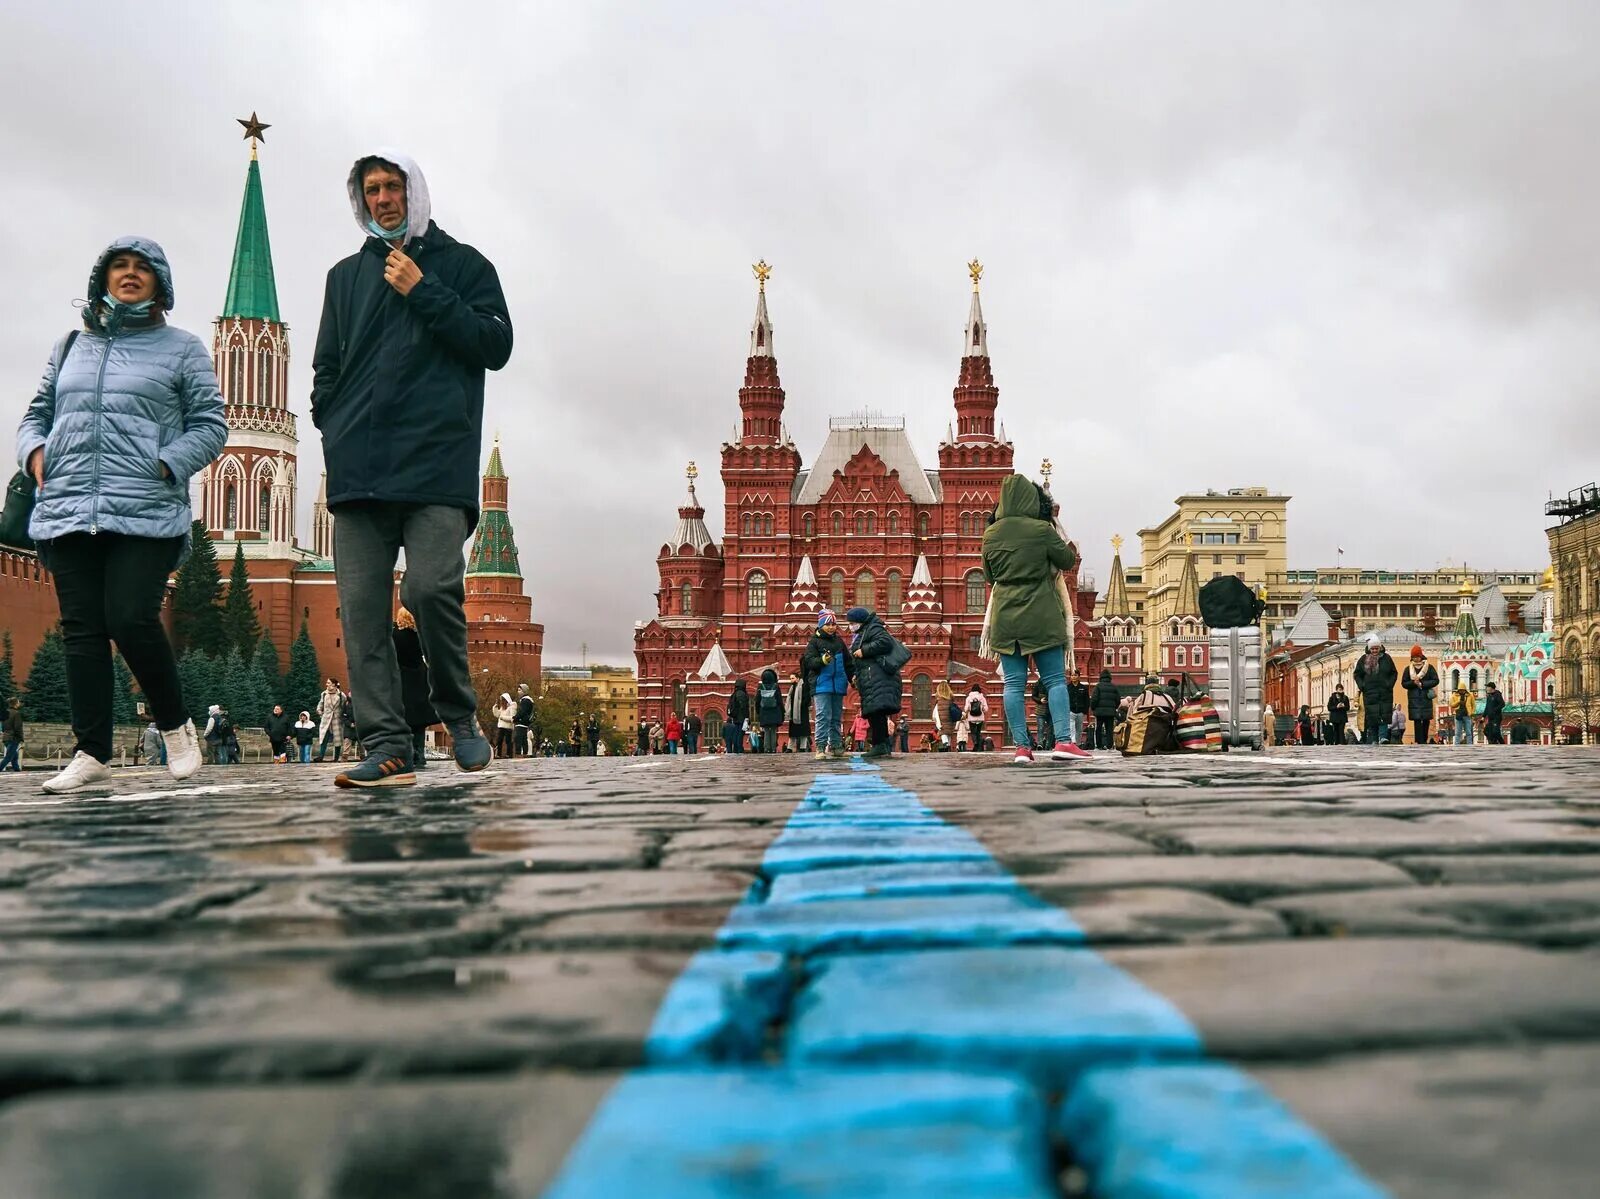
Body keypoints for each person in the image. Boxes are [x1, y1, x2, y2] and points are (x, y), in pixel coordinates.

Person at [311, 150, 509, 788]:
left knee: (429, 590)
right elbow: (326, 367)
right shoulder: (345, 278)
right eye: (370, 190)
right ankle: (388, 744)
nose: (382, 199)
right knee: (361, 612)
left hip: (434, 465)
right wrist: (331, 422)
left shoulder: (463, 266)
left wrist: (423, 290)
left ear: (413, 192)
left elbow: (494, 344)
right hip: (360, 468)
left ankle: (460, 716)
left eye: (392, 187)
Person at [16, 237, 223, 793]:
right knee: (82, 631)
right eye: (119, 267)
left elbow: (210, 424)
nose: (129, 275)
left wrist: (165, 464)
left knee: (130, 616)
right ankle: (92, 752)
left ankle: (177, 727)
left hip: (146, 507)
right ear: (102, 279)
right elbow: (37, 412)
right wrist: (35, 451)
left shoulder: (181, 348)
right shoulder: (70, 346)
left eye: (141, 268)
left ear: (159, 283)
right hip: (69, 505)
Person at [980, 474, 1089, 764]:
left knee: (1013, 684)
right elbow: (1066, 561)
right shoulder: (1041, 530)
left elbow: (989, 576)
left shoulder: (990, 534)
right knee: (1054, 680)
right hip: (1042, 614)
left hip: (1005, 618)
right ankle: (1064, 743)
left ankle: (1021, 748)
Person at [846, 605, 904, 760]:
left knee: (876, 711)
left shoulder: (873, 628)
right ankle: (883, 745)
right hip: (872, 678)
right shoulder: (864, 631)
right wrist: (856, 676)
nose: (850, 626)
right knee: (875, 712)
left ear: (860, 621)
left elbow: (885, 642)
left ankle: (880, 745)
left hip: (879, 678)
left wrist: (864, 650)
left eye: (852, 623)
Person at [803, 609, 853, 760]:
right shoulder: (814, 642)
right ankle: (820, 747)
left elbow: (848, 663)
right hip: (821, 684)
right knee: (823, 716)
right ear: (821, 625)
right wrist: (822, 661)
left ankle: (836, 746)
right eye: (828, 624)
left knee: (836, 717)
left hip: (838, 685)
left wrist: (853, 678)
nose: (831, 627)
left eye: (833, 624)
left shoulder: (839, 642)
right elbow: (809, 662)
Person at [393, 607, 439, 769]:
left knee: (404, 721)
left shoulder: (395, 635)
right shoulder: (420, 636)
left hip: (403, 680)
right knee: (419, 723)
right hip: (420, 679)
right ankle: (420, 754)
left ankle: (408, 753)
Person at [1352, 634, 1396, 744]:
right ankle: (1375, 739)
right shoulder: (1363, 659)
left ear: (1380, 648)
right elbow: (1357, 674)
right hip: (1370, 693)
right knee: (1372, 718)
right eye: (1373, 648)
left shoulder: (1387, 658)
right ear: (1369, 648)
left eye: (1377, 648)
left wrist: (1389, 684)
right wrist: (1363, 686)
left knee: (1383, 716)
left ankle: (1383, 737)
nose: (1375, 650)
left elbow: (1393, 673)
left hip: (1384, 692)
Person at [1399, 647, 1439, 747]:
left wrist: (1422, 684)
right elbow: (1404, 683)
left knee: (1426, 719)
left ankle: (1424, 739)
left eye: (1418, 656)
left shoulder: (1429, 667)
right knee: (1417, 720)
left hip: (1426, 698)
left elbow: (1435, 680)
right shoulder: (1408, 669)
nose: (1416, 659)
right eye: (1414, 657)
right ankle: (1418, 740)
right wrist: (1413, 683)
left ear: (1421, 656)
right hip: (1414, 699)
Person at [755, 668, 785, 754]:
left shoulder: (761, 687)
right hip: (775, 711)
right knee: (773, 730)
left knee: (767, 730)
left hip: (764, 712)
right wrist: (782, 711)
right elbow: (779, 700)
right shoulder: (775, 686)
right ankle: (773, 748)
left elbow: (757, 700)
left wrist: (758, 711)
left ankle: (767, 748)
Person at [1089, 668, 1120, 751]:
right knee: (1109, 729)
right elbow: (1118, 700)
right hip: (1110, 712)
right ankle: (1109, 745)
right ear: (1110, 677)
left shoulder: (1098, 686)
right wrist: (1114, 707)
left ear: (1101, 677)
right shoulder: (1114, 687)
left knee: (1098, 729)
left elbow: (1094, 699)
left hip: (1099, 712)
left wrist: (1093, 708)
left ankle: (1099, 745)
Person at [315, 679, 345, 762]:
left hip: (336, 719)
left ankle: (336, 758)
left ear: (334, 684)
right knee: (324, 737)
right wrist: (321, 713)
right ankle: (321, 756)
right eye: (327, 682)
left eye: (328, 683)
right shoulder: (324, 694)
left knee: (337, 739)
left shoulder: (341, 695)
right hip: (326, 718)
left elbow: (344, 706)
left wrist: (341, 715)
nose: (326, 684)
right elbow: (320, 704)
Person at [785, 671, 811, 754]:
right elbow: (789, 699)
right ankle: (790, 747)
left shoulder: (803, 686)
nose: (791, 680)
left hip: (802, 712)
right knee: (793, 732)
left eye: (792, 678)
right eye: (790, 678)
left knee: (803, 731)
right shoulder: (792, 688)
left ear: (797, 678)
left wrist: (803, 705)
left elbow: (807, 698)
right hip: (794, 712)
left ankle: (803, 747)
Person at [963, 684, 990, 753]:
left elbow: (966, 709)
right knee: (978, 732)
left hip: (971, 718)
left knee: (973, 733)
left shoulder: (969, 698)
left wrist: (969, 709)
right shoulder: (982, 698)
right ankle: (979, 746)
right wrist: (982, 709)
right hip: (980, 718)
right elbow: (986, 709)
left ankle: (975, 744)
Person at [726, 679, 750, 754]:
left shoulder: (735, 693)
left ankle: (736, 748)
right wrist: (747, 717)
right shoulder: (741, 694)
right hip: (741, 717)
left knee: (737, 733)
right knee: (740, 733)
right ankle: (739, 749)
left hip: (736, 717)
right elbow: (743, 706)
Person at [933, 681, 959, 750]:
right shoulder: (951, 699)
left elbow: (935, 714)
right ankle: (948, 746)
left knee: (943, 732)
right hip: (950, 719)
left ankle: (946, 744)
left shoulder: (938, 700)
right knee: (949, 732)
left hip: (942, 719)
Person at [1067, 671, 1090, 747]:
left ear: (1078, 676)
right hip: (1071, 711)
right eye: (1072, 675)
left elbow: (1087, 700)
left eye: (1075, 675)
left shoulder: (1083, 688)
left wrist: (1085, 711)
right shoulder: (1067, 687)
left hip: (1080, 712)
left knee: (1079, 729)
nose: (1073, 677)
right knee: (1071, 727)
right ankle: (1073, 742)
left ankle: (1078, 744)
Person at [1030, 677, 1055, 749]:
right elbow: (1033, 696)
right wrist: (1040, 700)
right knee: (1040, 728)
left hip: (1051, 709)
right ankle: (1040, 744)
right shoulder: (1038, 683)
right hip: (1040, 709)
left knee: (1051, 729)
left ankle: (1048, 745)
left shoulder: (1052, 682)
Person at [492, 693, 516, 759]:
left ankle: (509, 754)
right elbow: (497, 715)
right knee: (499, 740)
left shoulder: (512, 707)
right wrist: (495, 706)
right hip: (501, 726)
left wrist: (503, 718)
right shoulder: (502, 708)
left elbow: (512, 718)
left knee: (508, 741)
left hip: (508, 727)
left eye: (503, 700)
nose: (502, 702)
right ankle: (498, 754)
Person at [513, 683, 535, 757]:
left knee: (519, 738)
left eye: (520, 690)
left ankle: (518, 753)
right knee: (523, 738)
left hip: (522, 721)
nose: (518, 692)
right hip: (525, 721)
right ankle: (525, 753)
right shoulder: (527, 700)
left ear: (524, 691)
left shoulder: (525, 701)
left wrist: (515, 718)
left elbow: (522, 711)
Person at [2, 698, 23, 771]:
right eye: (18, 702)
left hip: (6, 737)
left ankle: (17, 770)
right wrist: (21, 738)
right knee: (8, 757)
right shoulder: (16, 713)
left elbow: (3, 727)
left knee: (14, 756)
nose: (19, 703)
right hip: (13, 738)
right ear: (15, 704)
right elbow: (18, 727)